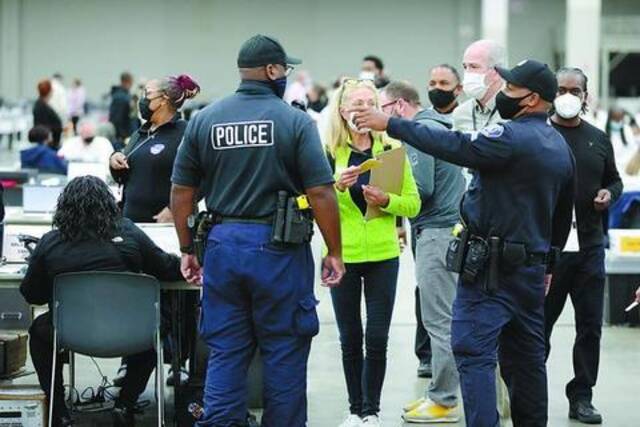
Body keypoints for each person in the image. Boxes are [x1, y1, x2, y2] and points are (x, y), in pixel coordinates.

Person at [353, 59, 575, 427]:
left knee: (473, 356)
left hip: (490, 274)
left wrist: (391, 123)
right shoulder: (558, 145)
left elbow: (455, 146)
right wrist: (548, 265)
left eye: (511, 89)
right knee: (527, 362)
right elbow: (562, 214)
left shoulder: (510, 138)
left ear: (532, 99)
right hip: (530, 272)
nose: (503, 93)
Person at [170, 34, 344, 427]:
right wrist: (335, 250)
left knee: (227, 350)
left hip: (223, 247)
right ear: (271, 70)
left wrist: (187, 248)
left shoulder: (205, 119)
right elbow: (320, 191)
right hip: (278, 250)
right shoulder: (295, 122)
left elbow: (181, 192)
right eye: (285, 68)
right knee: (283, 349)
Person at [20, 176, 184, 427]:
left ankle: (58, 411)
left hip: (72, 332)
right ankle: (126, 401)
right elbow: (167, 269)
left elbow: (33, 295)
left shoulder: (50, 242)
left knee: (39, 332)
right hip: (132, 332)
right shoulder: (128, 232)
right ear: (109, 204)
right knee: (158, 324)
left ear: (64, 207)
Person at [325, 78, 420, 427]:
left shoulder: (391, 151)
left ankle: (372, 411)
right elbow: (305, 203)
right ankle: (354, 409)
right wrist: (334, 188)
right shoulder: (328, 153)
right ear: (342, 110)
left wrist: (387, 200)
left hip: (383, 256)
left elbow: (413, 204)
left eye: (368, 103)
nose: (361, 109)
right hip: (343, 255)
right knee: (349, 336)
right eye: (355, 103)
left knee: (377, 337)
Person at [380, 81, 465, 423]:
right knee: (442, 316)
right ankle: (438, 393)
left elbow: (422, 188)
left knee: (439, 320)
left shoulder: (419, 133)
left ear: (399, 107)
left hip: (437, 234)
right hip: (444, 231)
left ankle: (444, 400)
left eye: (383, 112)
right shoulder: (437, 127)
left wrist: (382, 180)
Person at [545, 68, 623, 425]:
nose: (567, 95)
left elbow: (615, 179)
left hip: (590, 248)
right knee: (537, 326)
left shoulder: (598, 138)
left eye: (574, 90)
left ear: (586, 96)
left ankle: (582, 396)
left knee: (589, 326)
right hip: (549, 251)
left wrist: (610, 194)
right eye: (561, 89)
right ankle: (528, 393)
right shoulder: (540, 135)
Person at [110, 75, 200, 223]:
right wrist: (115, 159)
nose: (142, 99)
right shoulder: (141, 132)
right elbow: (126, 174)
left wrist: (175, 208)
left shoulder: (185, 133)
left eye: (147, 93)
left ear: (164, 99)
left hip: (165, 227)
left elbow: (203, 178)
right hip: (131, 224)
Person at [452, 40, 506, 132]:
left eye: (474, 67)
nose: (467, 72)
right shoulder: (460, 113)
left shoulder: (516, 109)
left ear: (497, 71)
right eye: (465, 67)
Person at [33, 79, 63, 148]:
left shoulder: (42, 104)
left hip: (51, 142)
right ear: (49, 91)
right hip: (48, 144)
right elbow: (43, 126)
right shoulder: (41, 106)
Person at [109, 72, 134, 146]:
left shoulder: (124, 95)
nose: (132, 85)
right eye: (131, 82)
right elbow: (117, 119)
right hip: (121, 135)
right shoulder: (121, 97)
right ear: (127, 82)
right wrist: (123, 136)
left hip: (121, 133)